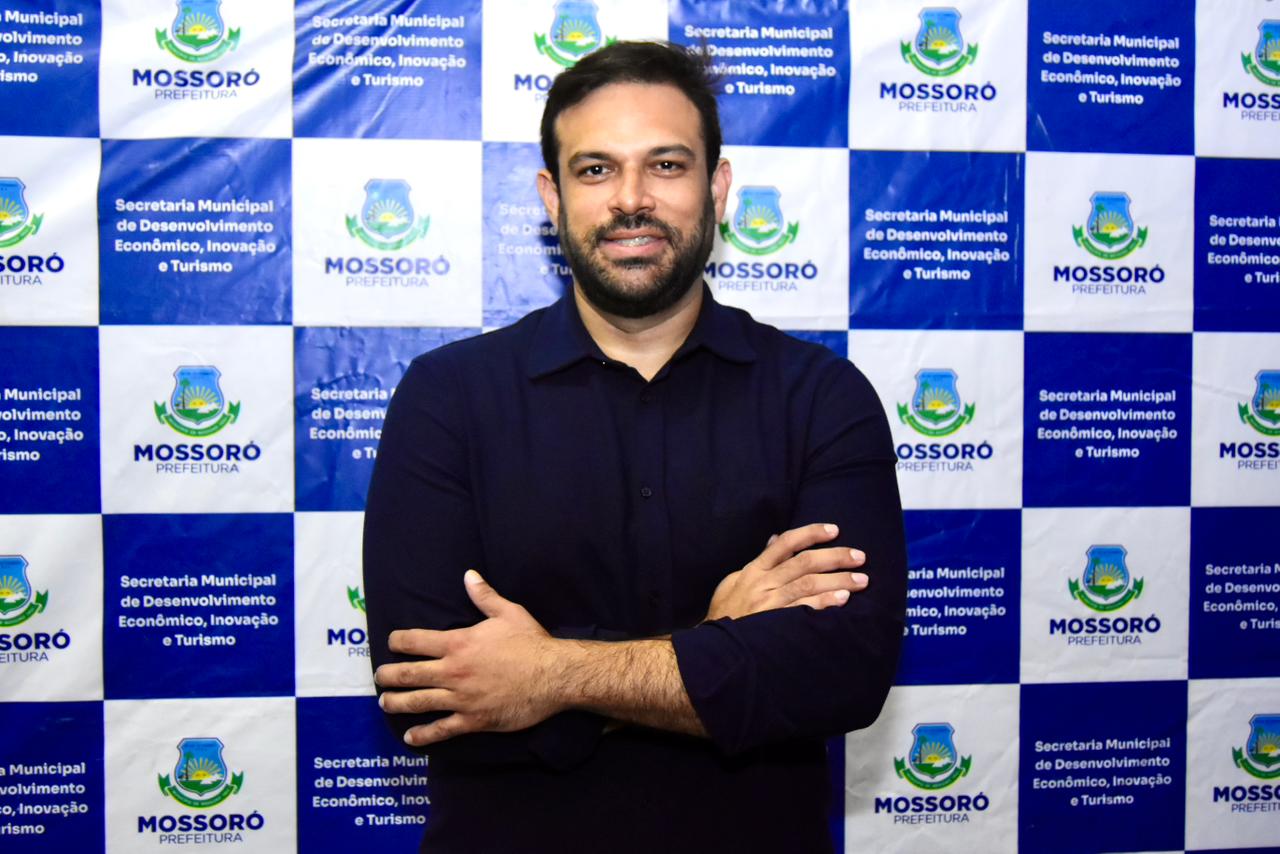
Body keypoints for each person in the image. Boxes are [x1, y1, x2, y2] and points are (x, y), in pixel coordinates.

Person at [363, 40, 906, 854]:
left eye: (666, 165)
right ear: (552, 198)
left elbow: (840, 675)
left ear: (716, 187)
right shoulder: (447, 398)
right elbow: (437, 699)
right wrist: (720, 644)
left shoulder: (823, 399)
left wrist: (548, 675)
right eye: (595, 170)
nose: (630, 199)